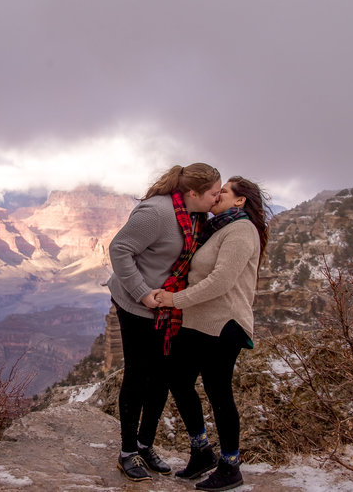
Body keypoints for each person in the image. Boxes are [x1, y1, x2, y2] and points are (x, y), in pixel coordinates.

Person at [107, 163, 222, 482]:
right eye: (213, 193)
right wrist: (143, 294)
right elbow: (119, 250)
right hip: (135, 304)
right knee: (138, 375)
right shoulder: (156, 213)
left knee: (161, 377)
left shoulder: (197, 216)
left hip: (168, 307)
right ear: (193, 193)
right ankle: (127, 452)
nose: (216, 198)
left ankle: (145, 445)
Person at [154, 176, 269, 491]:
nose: (218, 194)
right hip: (197, 321)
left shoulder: (242, 230)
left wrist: (173, 300)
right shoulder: (216, 227)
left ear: (240, 200)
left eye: (225, 191)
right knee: (177, 379)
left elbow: (221, 281)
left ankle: (231, 466)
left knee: (219, 393)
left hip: (224, 324)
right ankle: (201, 450)